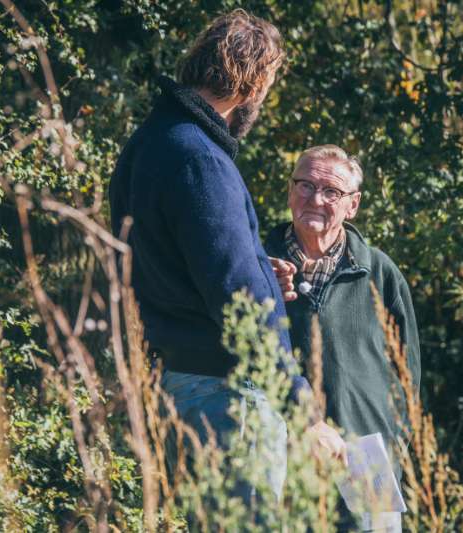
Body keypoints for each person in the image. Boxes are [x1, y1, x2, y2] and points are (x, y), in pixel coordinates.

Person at [108, 9, 346, 509]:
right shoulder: (200, 162)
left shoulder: (148, 146)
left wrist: (262, 267)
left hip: (182, 386)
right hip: (229, 397)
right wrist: (303, 412)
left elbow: (175, 266)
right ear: (252, 84)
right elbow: (239, 301)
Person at [265, 145, 422, 532]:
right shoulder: (256, 264)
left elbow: (409, 374)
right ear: (289, 190)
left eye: (331, 191)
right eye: (305, 185)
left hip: (368, 457)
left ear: (352, 205)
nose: (315, 199)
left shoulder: (379, 272)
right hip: (281, 453)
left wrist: (392, 446)